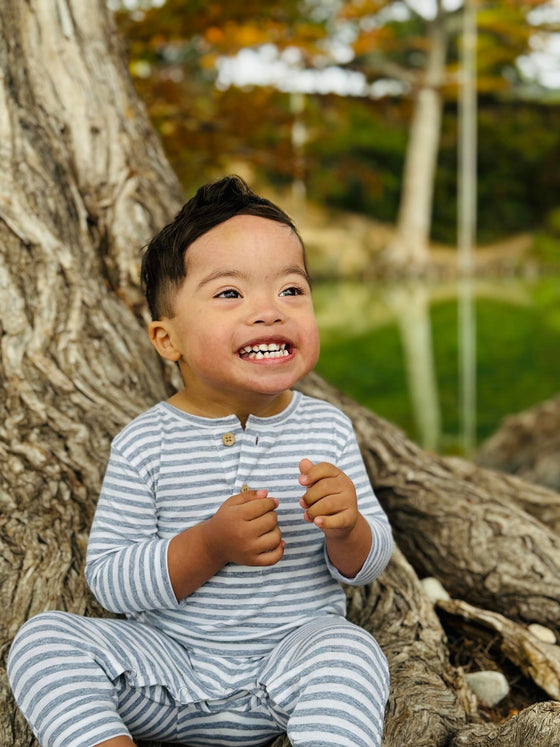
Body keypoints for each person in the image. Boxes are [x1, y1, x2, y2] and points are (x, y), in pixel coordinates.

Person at [8, 176, 394, 747]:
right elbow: (110, 581)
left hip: (286, 668)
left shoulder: (325, 428)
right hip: (168, 671)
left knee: (352, 652)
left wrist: (349, 528)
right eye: (230, 294)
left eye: (292, 290)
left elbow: (365, 566)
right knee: (42, 641)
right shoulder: (144, 444)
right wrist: (209, 545)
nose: (269, 312)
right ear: (168, 340)